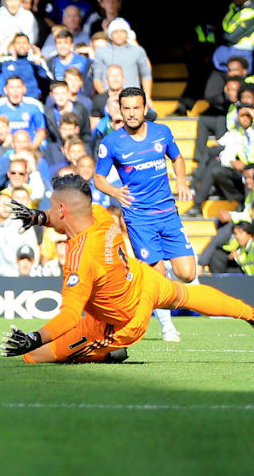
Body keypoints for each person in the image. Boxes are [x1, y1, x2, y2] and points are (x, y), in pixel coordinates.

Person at [0, 175, 254, 364]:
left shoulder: (80, 259)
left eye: (50, 207)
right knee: (186, 294)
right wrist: (39, 217)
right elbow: (69, 214)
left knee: (33, 357)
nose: (47, 211)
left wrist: (35, 338)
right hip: (143, 280)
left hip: (122, 321)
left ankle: (109, 351)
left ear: (62, 209)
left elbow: (70, 316)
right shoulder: (100, 214)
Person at [92, 87, 193, 343]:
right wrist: (115, 192)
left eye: (136, 107)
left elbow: (177, 158)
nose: (131, 113)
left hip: (168, 213)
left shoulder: (162, 132)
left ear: (145, 108)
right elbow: (99, 179)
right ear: (119, 110)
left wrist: (181, 180)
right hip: (138, 218)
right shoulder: (111, 143)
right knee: (158, 278)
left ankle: (152, 279)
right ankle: (168, 328)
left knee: (188, 274)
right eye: (126, 108)